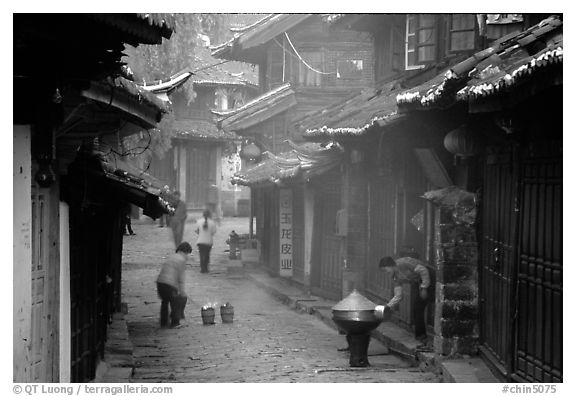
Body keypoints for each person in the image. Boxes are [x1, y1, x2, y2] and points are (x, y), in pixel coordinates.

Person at [379, 251, 433, 346]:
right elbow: (398, 295)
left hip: (429, 275)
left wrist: (424, 288)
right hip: (418, 281)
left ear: (390, 265)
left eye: (385, 270)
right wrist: (388, 306)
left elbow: (423, 270)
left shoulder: (403, 263)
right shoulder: (395, 277)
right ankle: (421, 336)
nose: (385, 273)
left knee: (429, 302)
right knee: (417, 308)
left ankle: (426, 336)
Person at [156, 242, 192, 328]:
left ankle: (163, 322)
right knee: (177, 301)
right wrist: (182, 291)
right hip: (169, 284)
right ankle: (175, 322)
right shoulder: (181, 260)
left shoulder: (172, 257)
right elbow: (180, 277)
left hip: (160, 282)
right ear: (186, 252)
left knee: (165, 302)